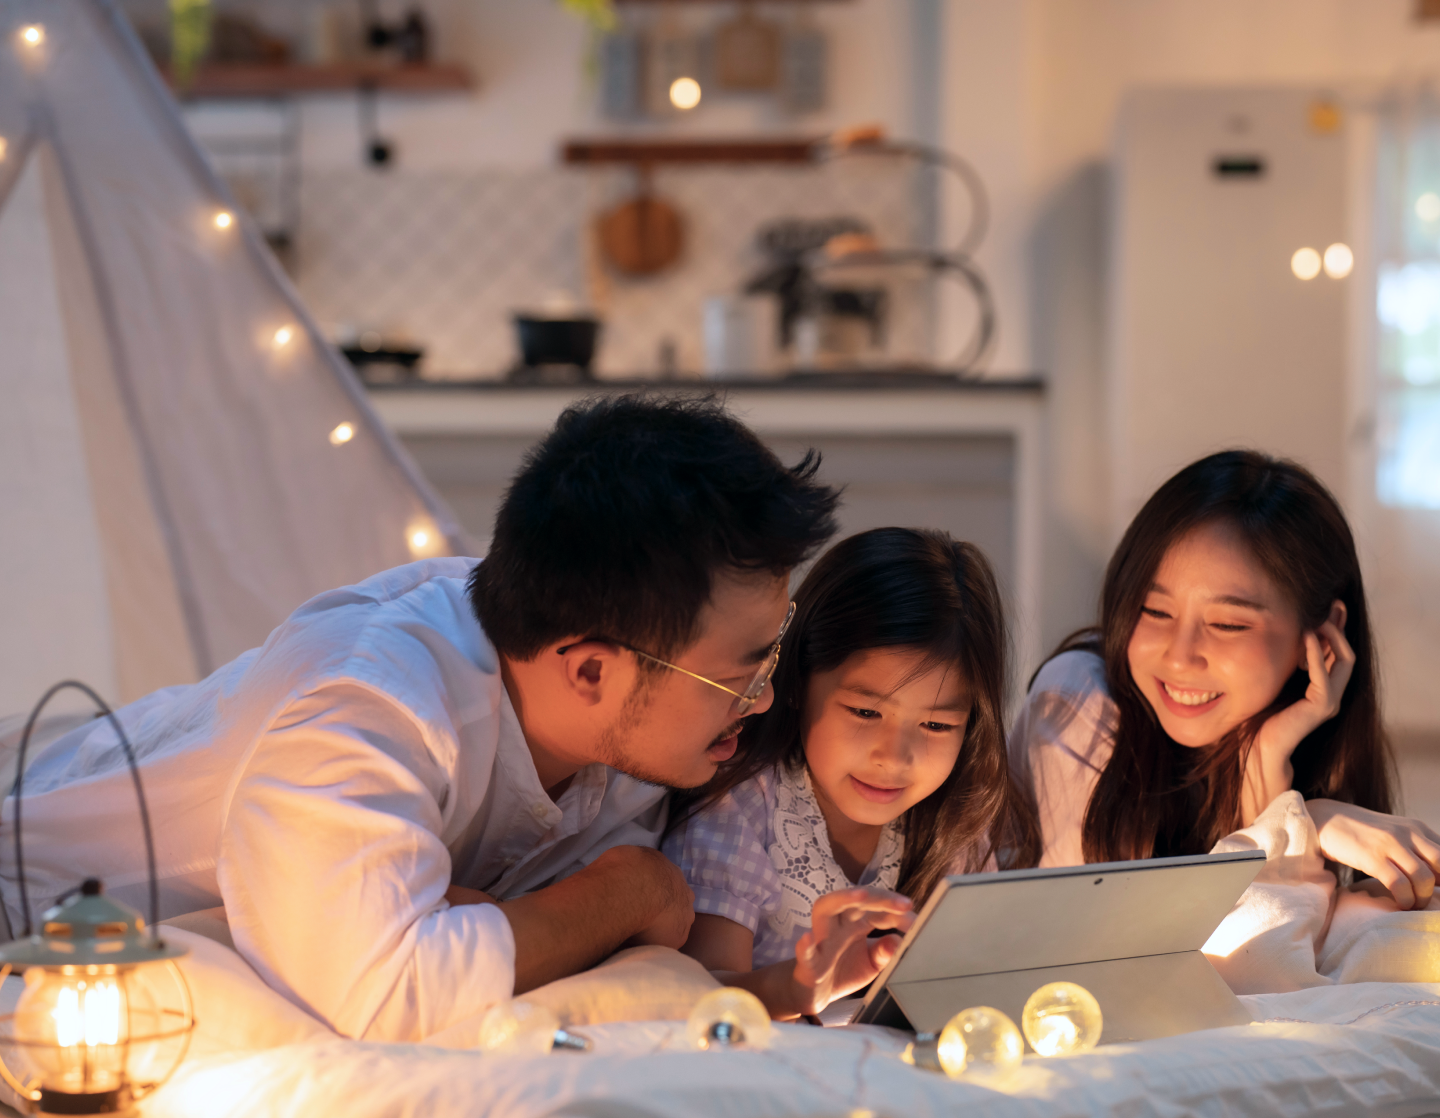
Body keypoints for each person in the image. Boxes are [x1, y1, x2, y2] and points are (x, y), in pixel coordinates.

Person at [5, 396, 839, 1040]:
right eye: (740, 670)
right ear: (590, 669)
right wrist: (631, 890)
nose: (762, 698)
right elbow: (385, 992)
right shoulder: (367, 700)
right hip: (35, 917)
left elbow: (498, 925)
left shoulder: (627, 701)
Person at [1011, 449, 1440, 906]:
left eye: (1228, 625)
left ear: (1319, 637)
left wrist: (1270, 771)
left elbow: (1277, 957)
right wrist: (1300, 825)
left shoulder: (1305, 741)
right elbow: (1102, 945)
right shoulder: (1078, 698)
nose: (1180, 658)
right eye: (1154, 611)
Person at [663, 528, 1040, 1019]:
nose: (894, 757)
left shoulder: (956, 821)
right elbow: (706, 995)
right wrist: (796, 988)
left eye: (935, 724)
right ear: (798, 680)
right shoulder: (740, 805)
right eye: (865, 713)